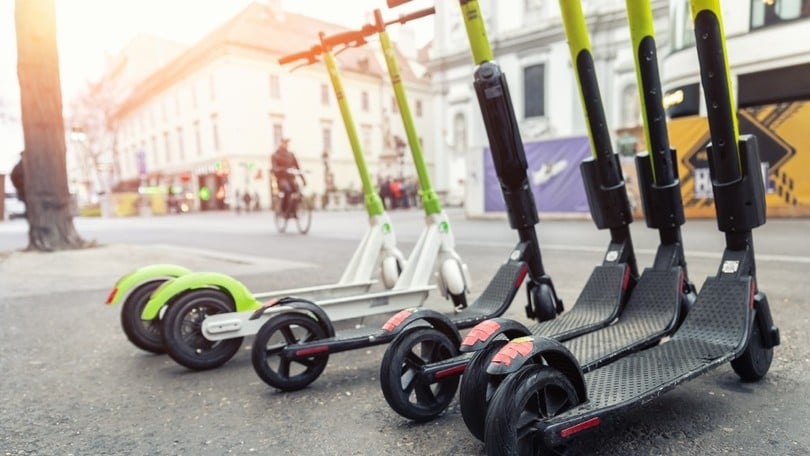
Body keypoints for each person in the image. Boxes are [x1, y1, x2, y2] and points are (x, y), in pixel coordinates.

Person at [271, 138, 303, 216]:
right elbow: (274, 167)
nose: (286, 145)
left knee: (297, 190)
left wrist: (303, 178)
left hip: (291, 178)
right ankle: (284, 210)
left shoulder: (291, 155)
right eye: (284, 143)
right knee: (287, 190)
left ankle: (294, 211)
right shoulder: (276, 155)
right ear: (281, 144)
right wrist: (281, 169)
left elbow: (298, 167)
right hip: (281, 178)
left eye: (287, 143)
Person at [10, 153, 26, 217]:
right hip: (23, 190)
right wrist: (19, 186)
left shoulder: (32, 165)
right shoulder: (18, 167)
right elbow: (13, 177)